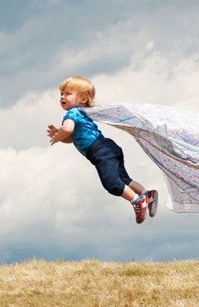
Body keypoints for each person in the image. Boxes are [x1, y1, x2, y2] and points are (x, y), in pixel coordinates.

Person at [47, 76, 158, 223]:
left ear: (83, 99)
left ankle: (137, 201)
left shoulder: (71, 114)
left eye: (68, 93)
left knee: (112, 184)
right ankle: (147, 194)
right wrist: (60, 135)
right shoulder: (81, 113)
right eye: (61, 93)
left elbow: (67, 130)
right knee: (124, 180)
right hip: (108, 148)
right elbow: (70, 138)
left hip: (100, 152)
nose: (62, 96)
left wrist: (57, 136)